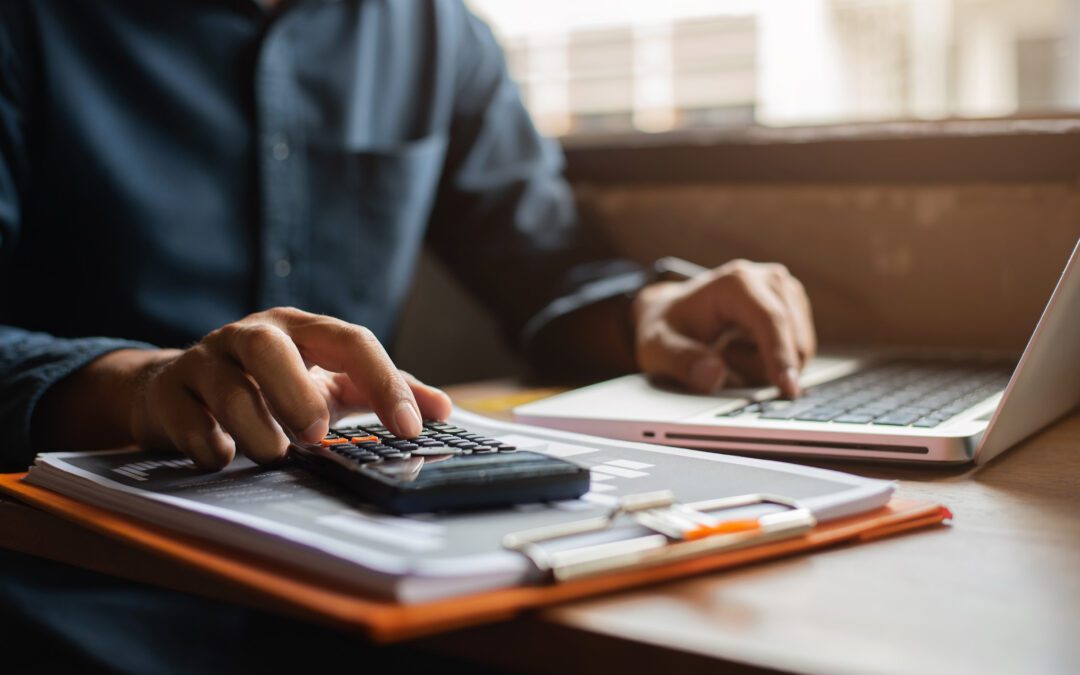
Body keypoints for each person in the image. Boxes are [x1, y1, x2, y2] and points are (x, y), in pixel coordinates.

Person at [0, 0, 815, 670]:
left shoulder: (435, 31)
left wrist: (648, 310)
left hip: (374, 564)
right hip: (76, 578)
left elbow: (544, 262)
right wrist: (137, 384)